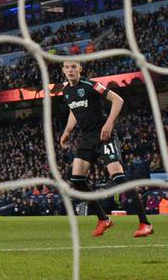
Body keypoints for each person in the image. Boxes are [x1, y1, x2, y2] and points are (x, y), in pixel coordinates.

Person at [58, 60, 153, 238]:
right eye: (67, 67)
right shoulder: (66, 91)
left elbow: (118, 100)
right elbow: (74, 110)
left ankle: (145, 223)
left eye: (73, 67)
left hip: (104, 136)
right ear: (63, 71)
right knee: (76, 179)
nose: (70, 70)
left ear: (80, 69)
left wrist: (109, 124)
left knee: (119, 178)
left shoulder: (91, 85)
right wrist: (67, 131)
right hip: (87, 139)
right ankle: (103, 219)